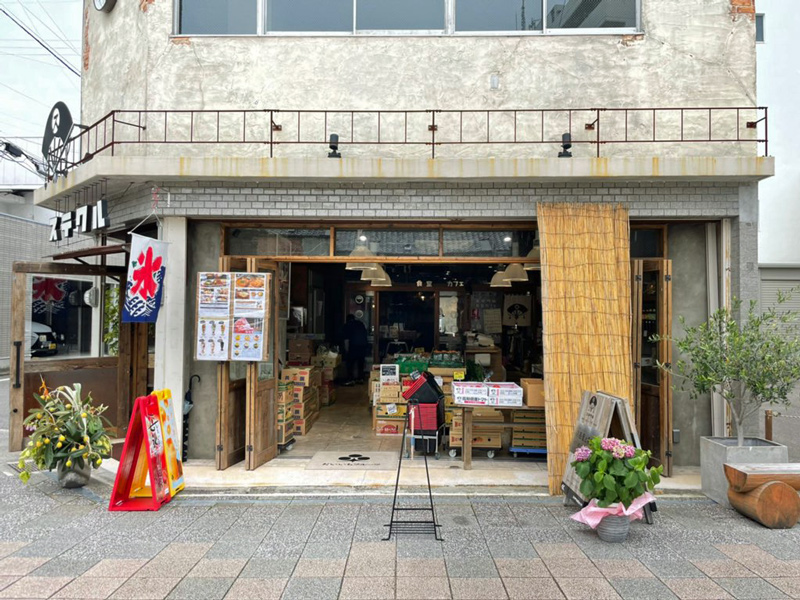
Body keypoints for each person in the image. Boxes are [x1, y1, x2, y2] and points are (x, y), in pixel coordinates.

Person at [343, 314, 368, 385]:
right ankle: (360, 378)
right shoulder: (360, 324)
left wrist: (346, 350)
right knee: (360, 363)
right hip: (363, 345)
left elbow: (346, 340)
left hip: (353, 346)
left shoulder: (347, 325)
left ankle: (350, 379)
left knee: (350, 363)